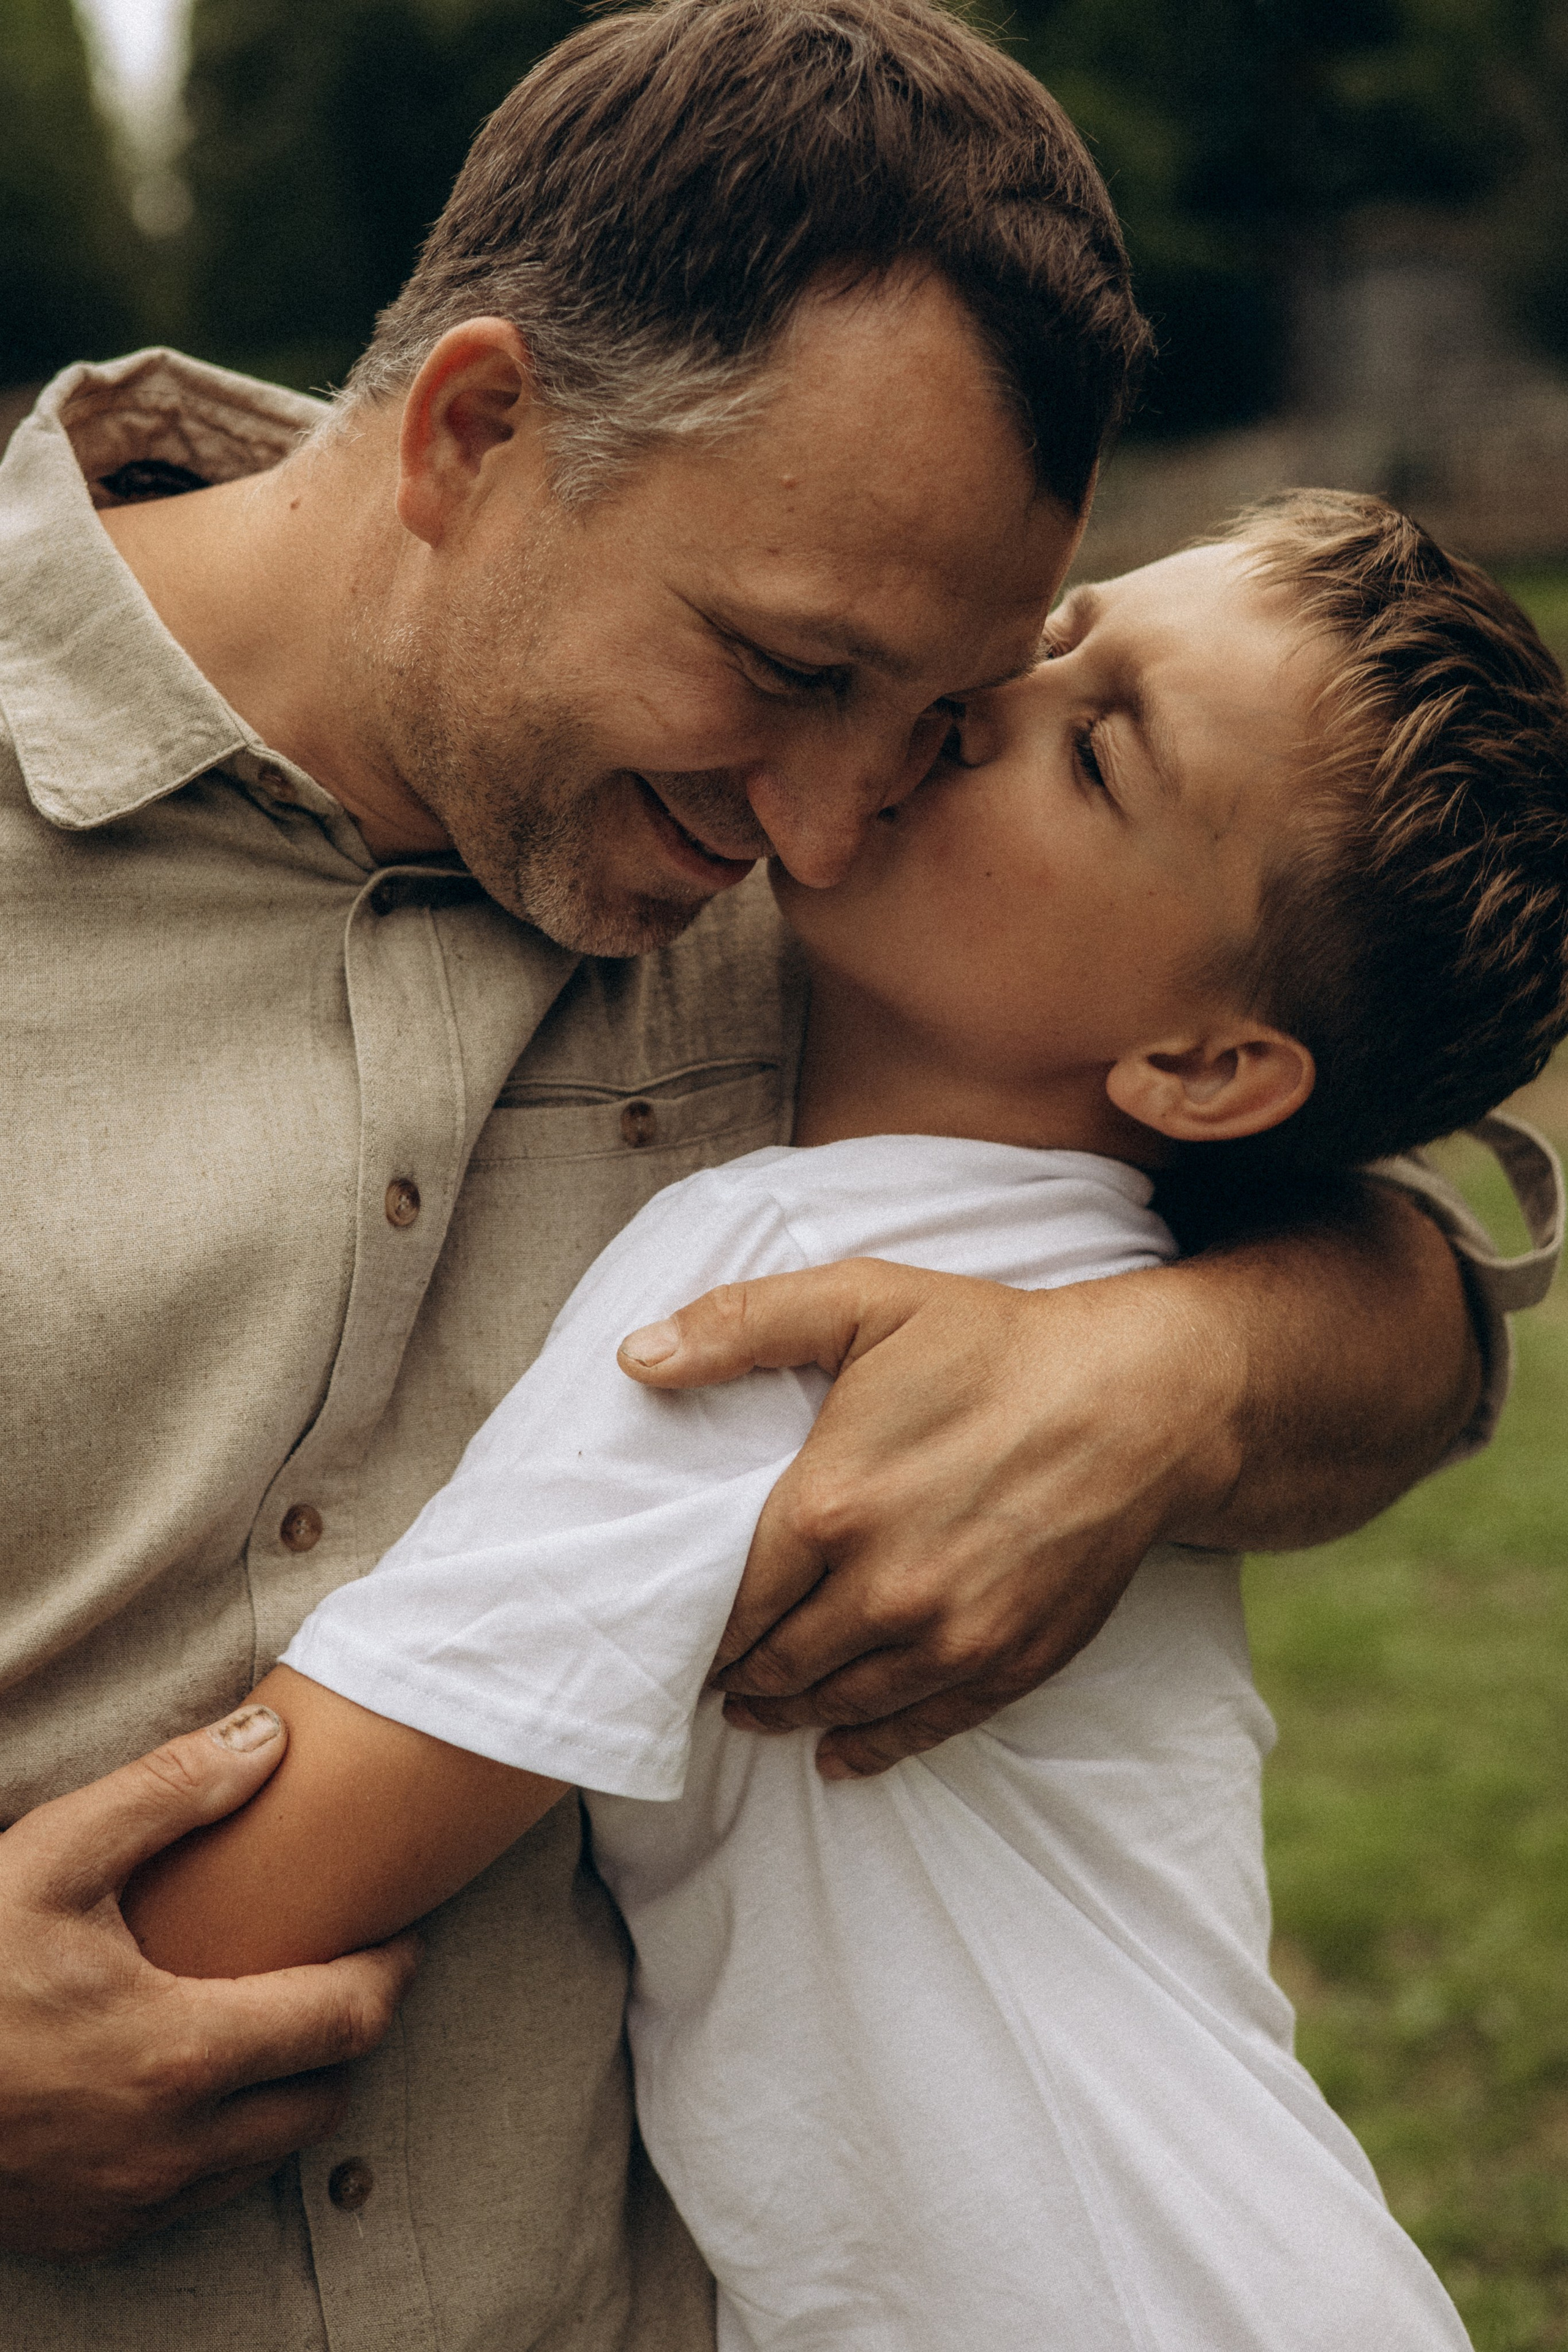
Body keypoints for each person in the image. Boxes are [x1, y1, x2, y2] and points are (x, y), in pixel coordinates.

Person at [0, 1, 1553, 2344]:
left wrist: (1174, 1374)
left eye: (951, 708)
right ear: (476, 434)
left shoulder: (886, 924)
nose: (839, 814)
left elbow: (1425, 1263)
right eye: (791, 674)